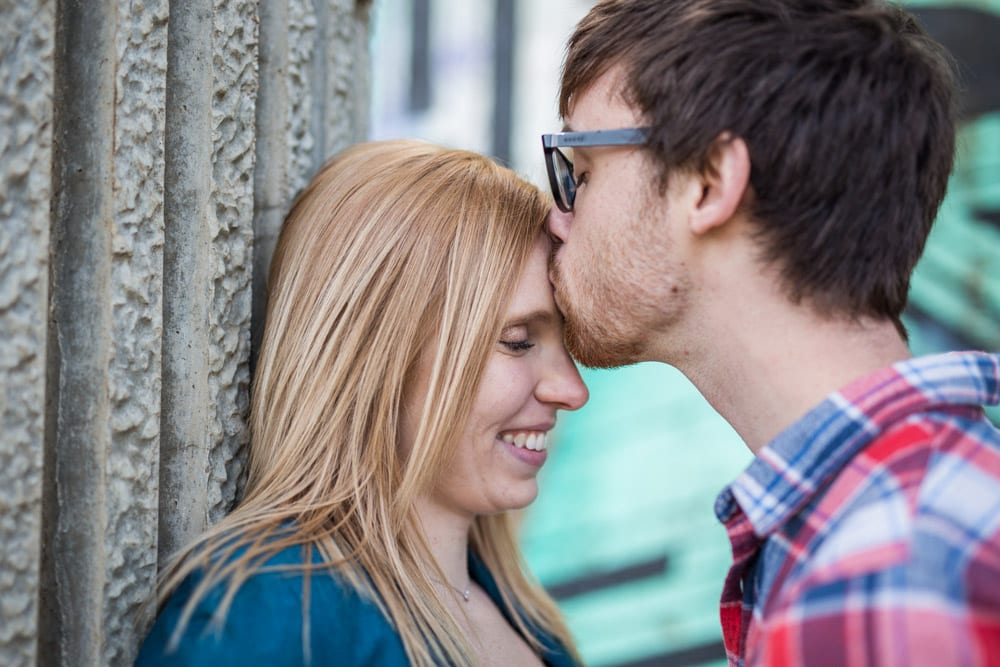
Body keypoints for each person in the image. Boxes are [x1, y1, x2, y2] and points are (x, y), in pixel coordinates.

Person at [541, 1, 1000, 665]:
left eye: (580, 172)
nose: (558, 218)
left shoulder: (878, 572)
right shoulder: (916, 512)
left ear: (708, 183)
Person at [137, 140, 589, 666]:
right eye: (517, 341)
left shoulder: (529, 621)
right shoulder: (264, 614)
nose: (571, 390)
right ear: (378, 353)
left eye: (567, 344)